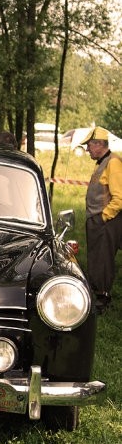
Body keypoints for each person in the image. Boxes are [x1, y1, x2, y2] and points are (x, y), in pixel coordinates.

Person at [80, 126, 122, 313]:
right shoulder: (101, 162)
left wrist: (104, 217)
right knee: (96, 257)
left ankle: (102, 298)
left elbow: (119, 197)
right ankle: (97, 292)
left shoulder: (113, 163)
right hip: (97, 219)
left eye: (89, 146)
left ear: (99, 144)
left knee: (103, 259)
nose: (87, 149)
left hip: (106, 221)